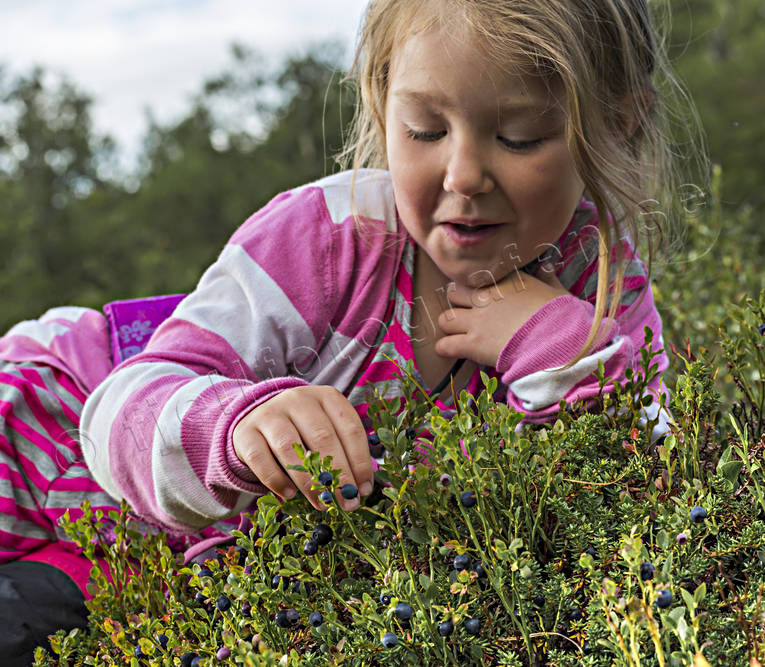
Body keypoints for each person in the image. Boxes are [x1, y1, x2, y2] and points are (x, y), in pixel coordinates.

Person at [0, 0, 695, 662]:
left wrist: (556, 344)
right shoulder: (330, 239)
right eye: (424, 129)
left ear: (617, 119)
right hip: (50, 442)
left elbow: (639, 494)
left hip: (156, 563)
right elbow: (127, 402)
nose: (462, 173)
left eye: (517, 136)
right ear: (380, 100)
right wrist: (238, 426)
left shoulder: (598, 276)